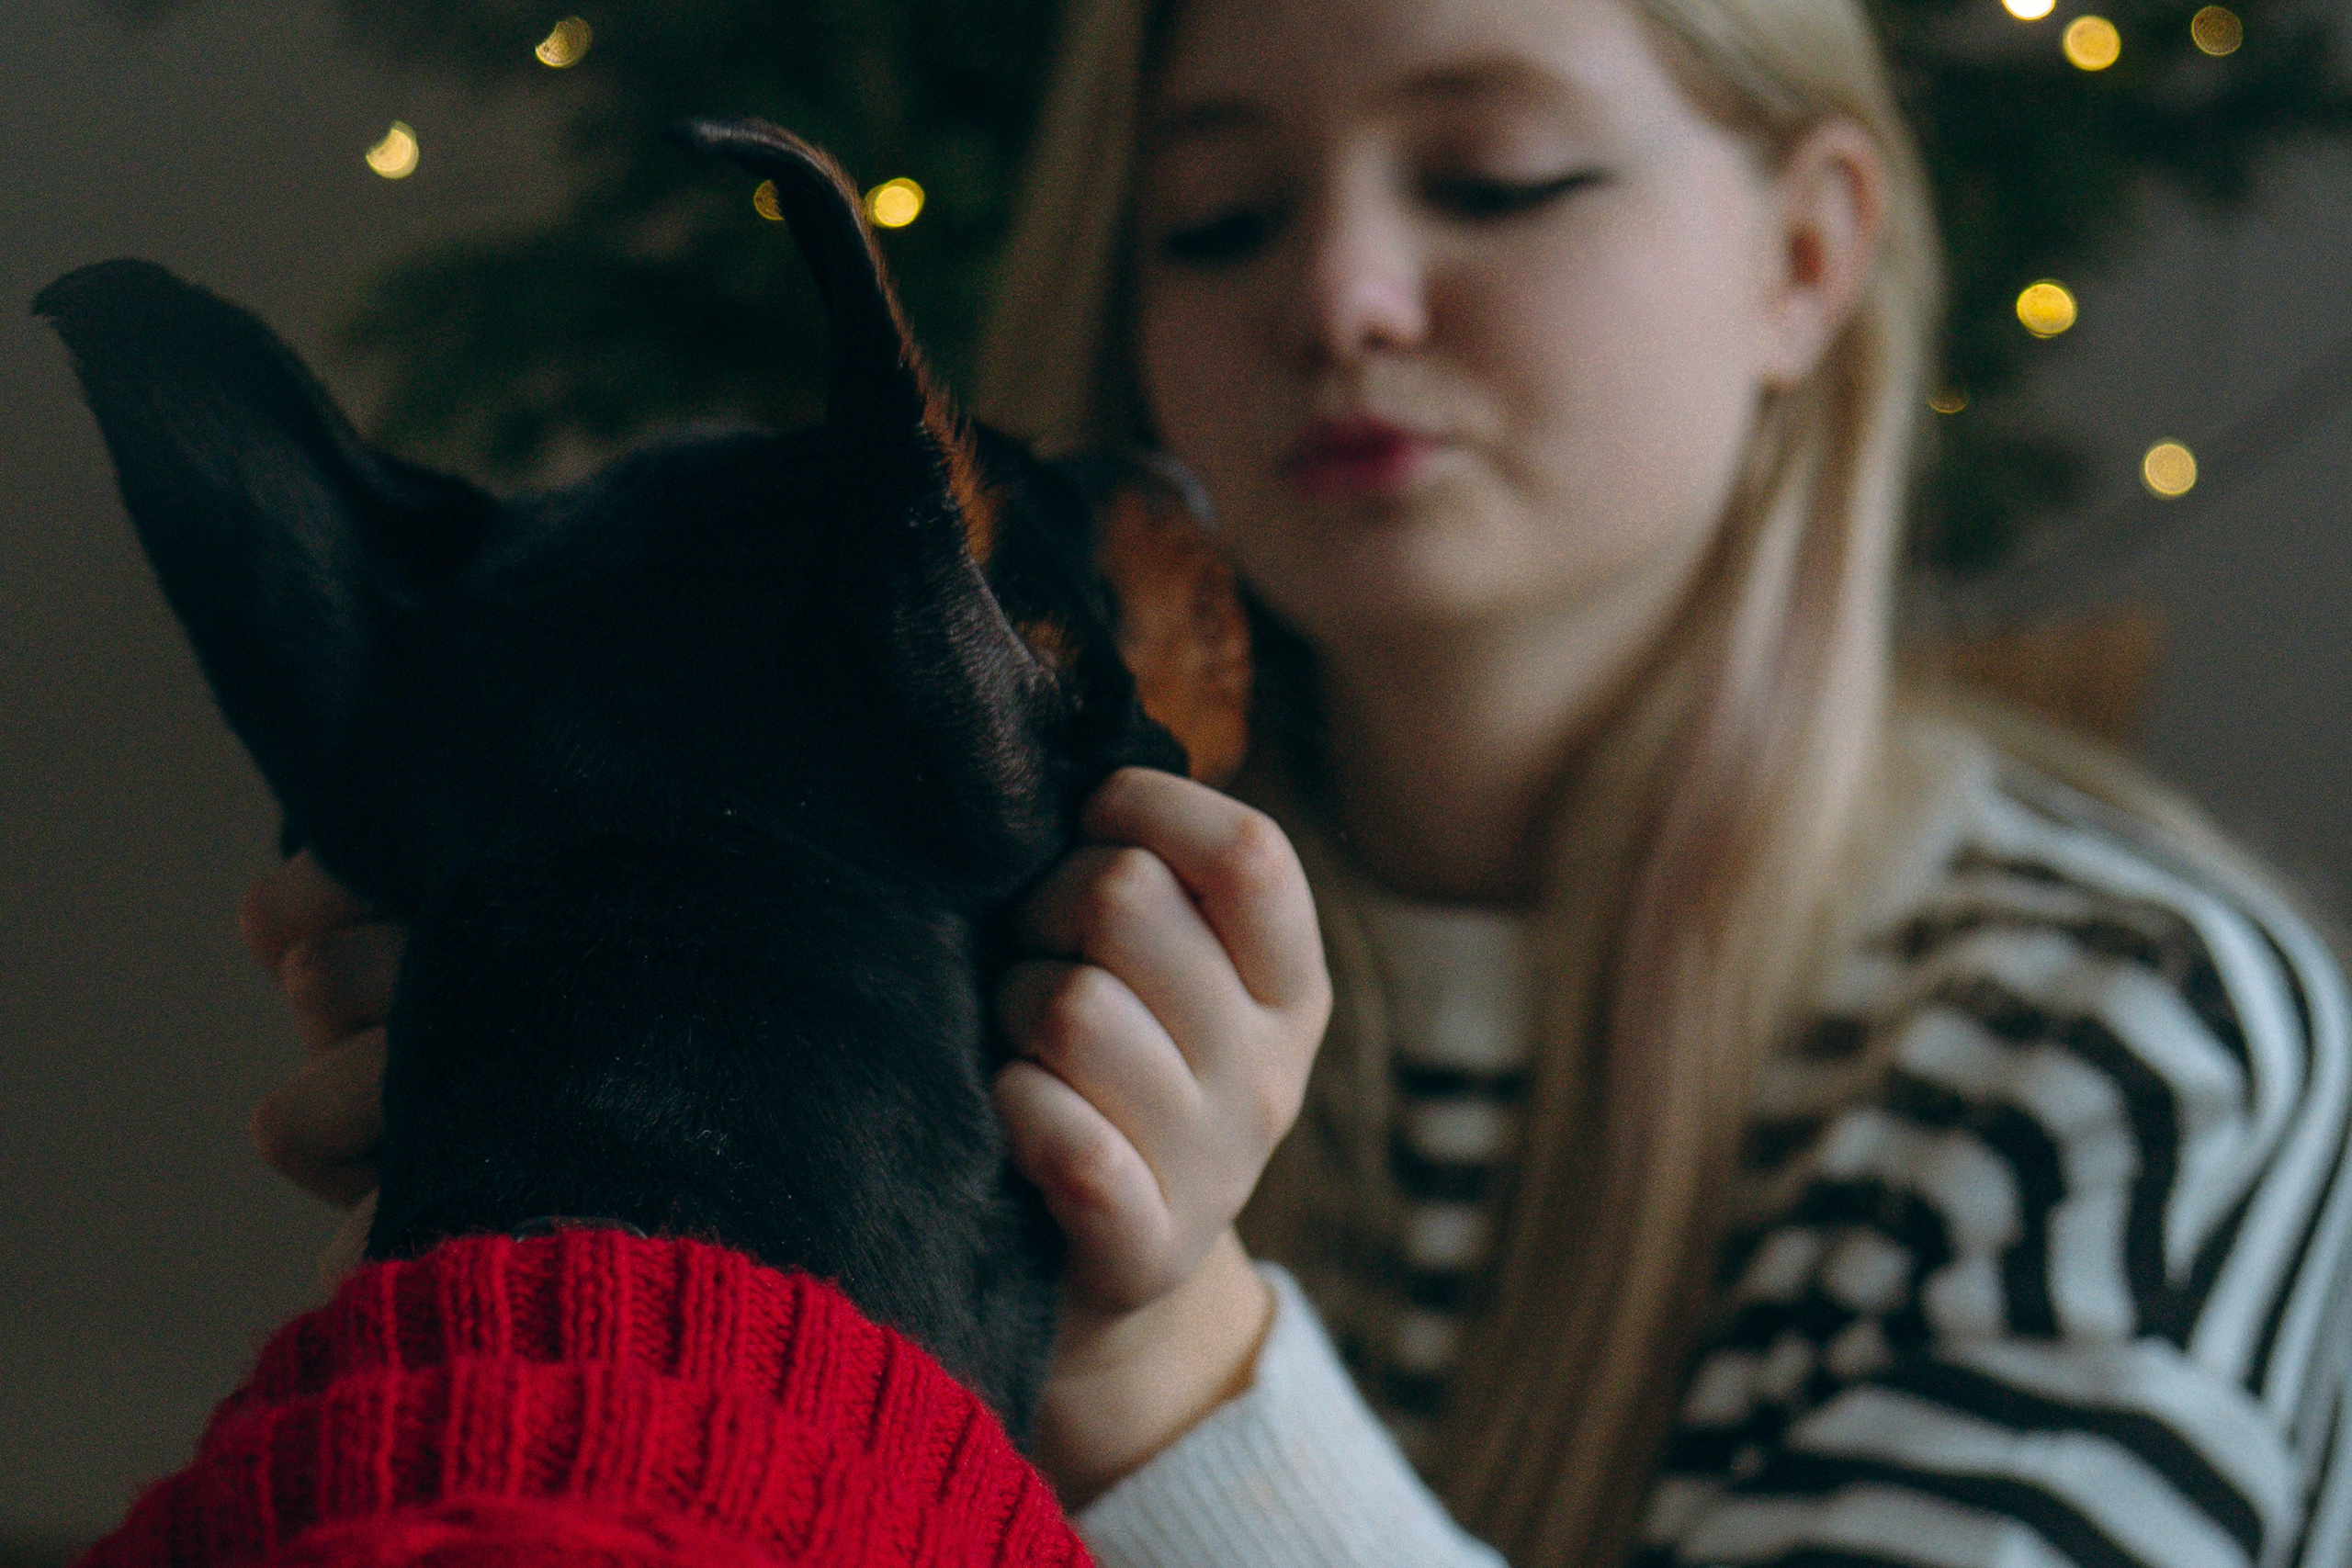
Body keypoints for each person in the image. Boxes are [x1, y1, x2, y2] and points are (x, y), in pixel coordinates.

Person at [240, 0, 2352, 1563]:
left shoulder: (2126, 1047)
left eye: (1494, 175)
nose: (1339, 297)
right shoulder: (979, 922)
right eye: (1223, 213)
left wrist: (1165, 1366)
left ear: (1803, 258)